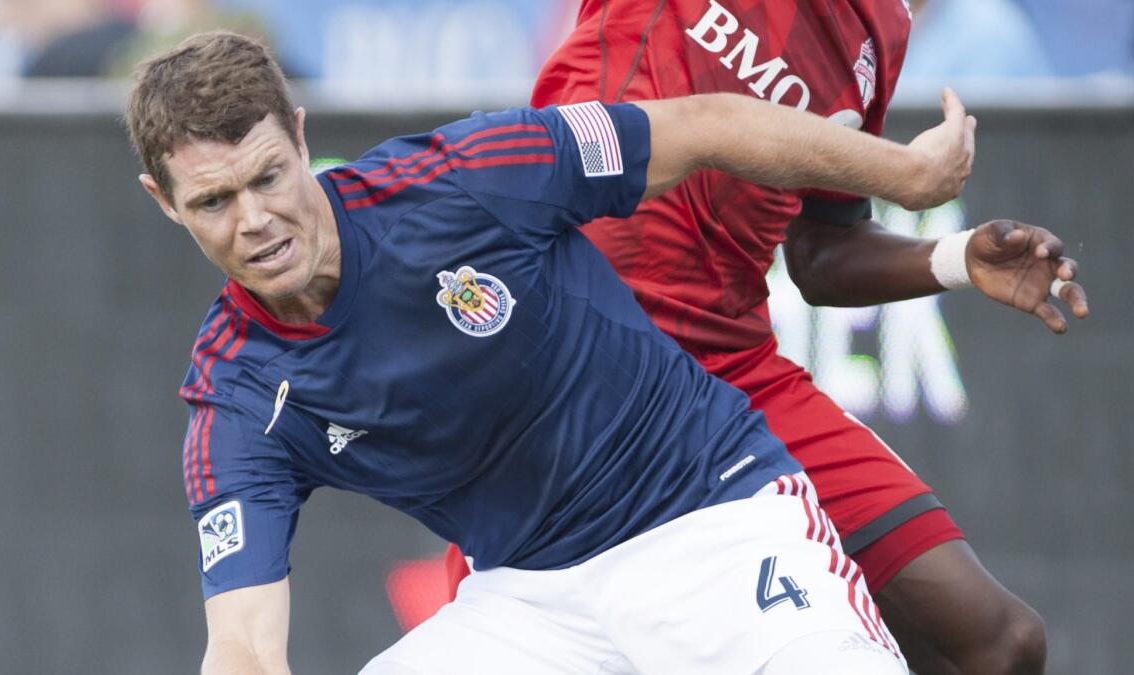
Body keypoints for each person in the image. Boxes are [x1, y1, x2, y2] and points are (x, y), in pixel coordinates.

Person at [127, 31, 978, 674]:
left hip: (709, 518)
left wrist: (906, 177)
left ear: (302, 139)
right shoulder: (236, 396)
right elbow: (240, 638)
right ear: (163, 203)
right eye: (213, 200)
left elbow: (708, 123)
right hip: (529, 599)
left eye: (269, 177)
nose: (254, 221)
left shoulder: (463, 180)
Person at [443, 1, 1089, 674]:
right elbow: (710, 128)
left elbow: (820, 251)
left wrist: (955, 259)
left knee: (1000, 643)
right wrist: (909, 173)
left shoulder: (881, 29)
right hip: (571, 354)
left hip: (727, 371)